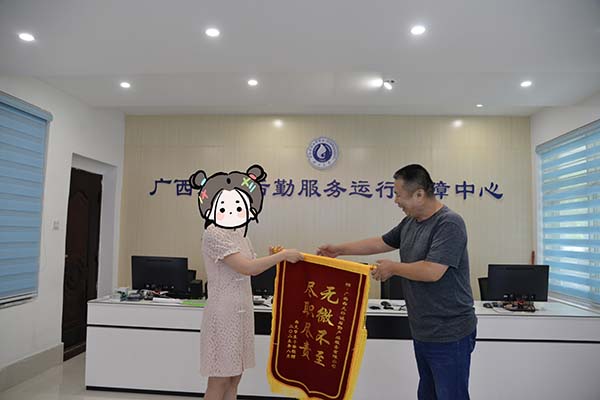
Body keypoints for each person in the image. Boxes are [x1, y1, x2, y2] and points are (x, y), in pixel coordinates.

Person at [318, 164, 477, 400]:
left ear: (419, 194)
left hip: (450, 332)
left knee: (450, 395)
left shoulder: (449, 223)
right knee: (428, 394)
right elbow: (381, 242)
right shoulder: (410, 222)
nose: (395, 201)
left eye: (398, 195)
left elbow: (433, 271)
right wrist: (339, 250)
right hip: (423, 330)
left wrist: (393, 268)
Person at [189, 164, 303, 400]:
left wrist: (272, 255)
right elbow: (247, 268)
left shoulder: (240, 234)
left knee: (235, 377)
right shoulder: (213, 233)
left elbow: (252, 264)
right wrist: (281, 256)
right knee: (220, 378)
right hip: (223, 313)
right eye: (225, 205)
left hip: (242, 310)